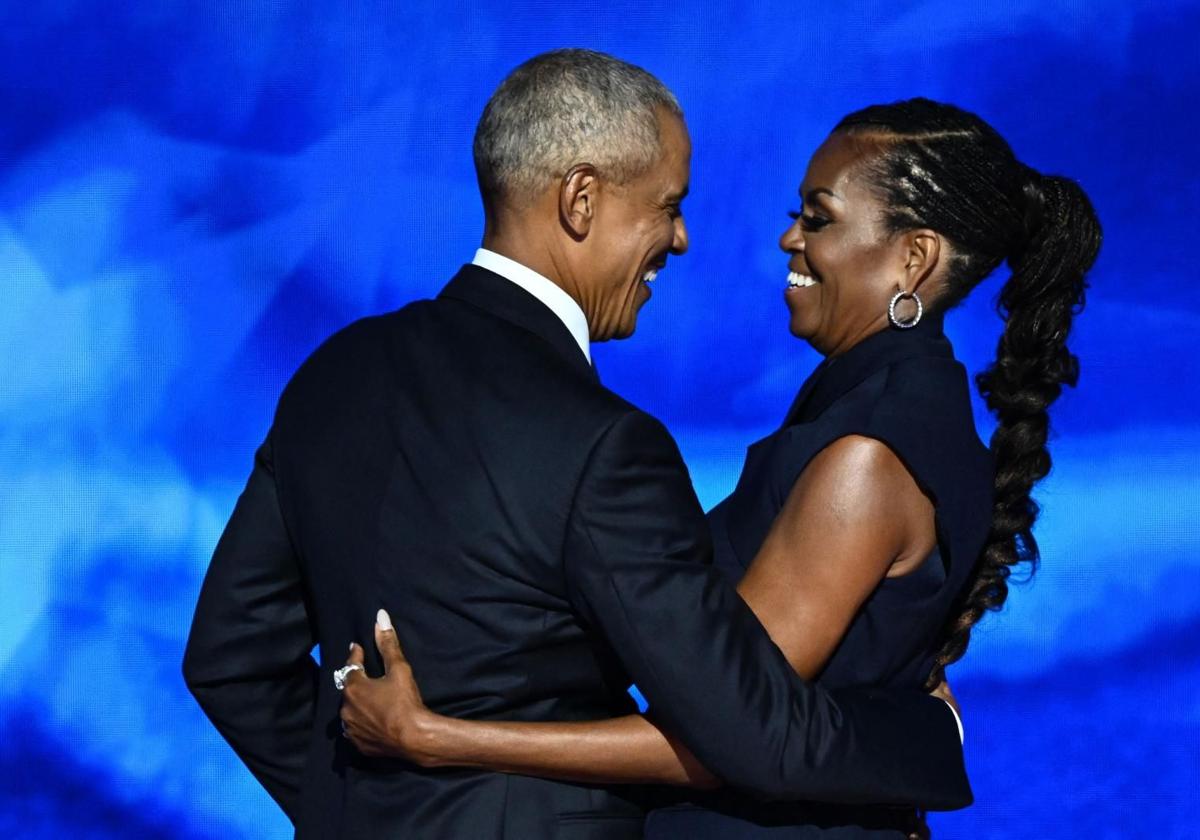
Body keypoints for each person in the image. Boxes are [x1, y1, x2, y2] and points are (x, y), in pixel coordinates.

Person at [183, 51, 969, 840]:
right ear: (582, 201)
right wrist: (927, 740)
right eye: (669, 206)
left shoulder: (334, 375)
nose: (682, 239)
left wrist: (367, 807)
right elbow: (751, 732)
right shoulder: (608, 447)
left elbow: (229, 659)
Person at [336, 97, 1102, 838]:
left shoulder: (866, 455)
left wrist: (434, 736)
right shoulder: (880, 419)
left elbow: (725, 738)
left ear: (914, 257)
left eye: (818, 217)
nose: (789, 240)